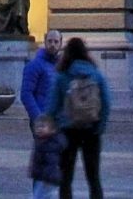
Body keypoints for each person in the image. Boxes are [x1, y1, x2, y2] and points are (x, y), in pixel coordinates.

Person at [44, 36, 110, 199]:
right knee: (94, 178)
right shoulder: (96, 74)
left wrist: (49, 125)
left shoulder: (62, 75)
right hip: (91, 129)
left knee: (66, 178)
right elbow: (107, 103)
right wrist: (99, 128)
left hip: (67, 131)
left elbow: (53, 106)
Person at [20, 29, 63, 128]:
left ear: (60, 43)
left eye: (56, 42)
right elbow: (26, 94)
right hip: (42, 119)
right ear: (45, 41)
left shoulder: (62, 66)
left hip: (59, 119)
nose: (53, 44)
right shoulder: (34, 65)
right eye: (50, 41)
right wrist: (38, 117)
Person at [28, 115, 65, 199]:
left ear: (52, 130)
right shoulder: (41, 141)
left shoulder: (50, 145)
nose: (39, 129)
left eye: (43, 126)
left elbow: (51, 162)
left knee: (40, 196)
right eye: (37, 127)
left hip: (46, 178)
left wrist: (48, 177)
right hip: (41, 177)